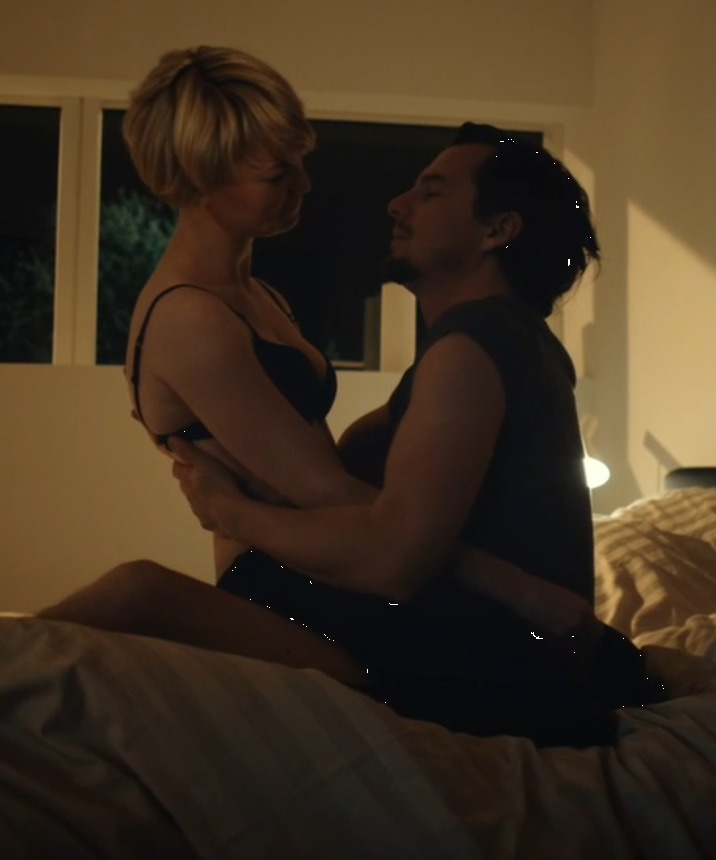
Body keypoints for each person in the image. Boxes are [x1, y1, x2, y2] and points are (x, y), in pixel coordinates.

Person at [41, 93, 658, 744]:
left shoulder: (471, 345)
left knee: (139, 593)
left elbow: (387, 546)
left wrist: (233, 510)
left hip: (439, 638)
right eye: (276, 173)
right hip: (375, 606)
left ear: (496, 230)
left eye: (431, 192)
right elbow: (357, 499)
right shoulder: (496, 344)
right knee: (138, 597)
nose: (395, 204)